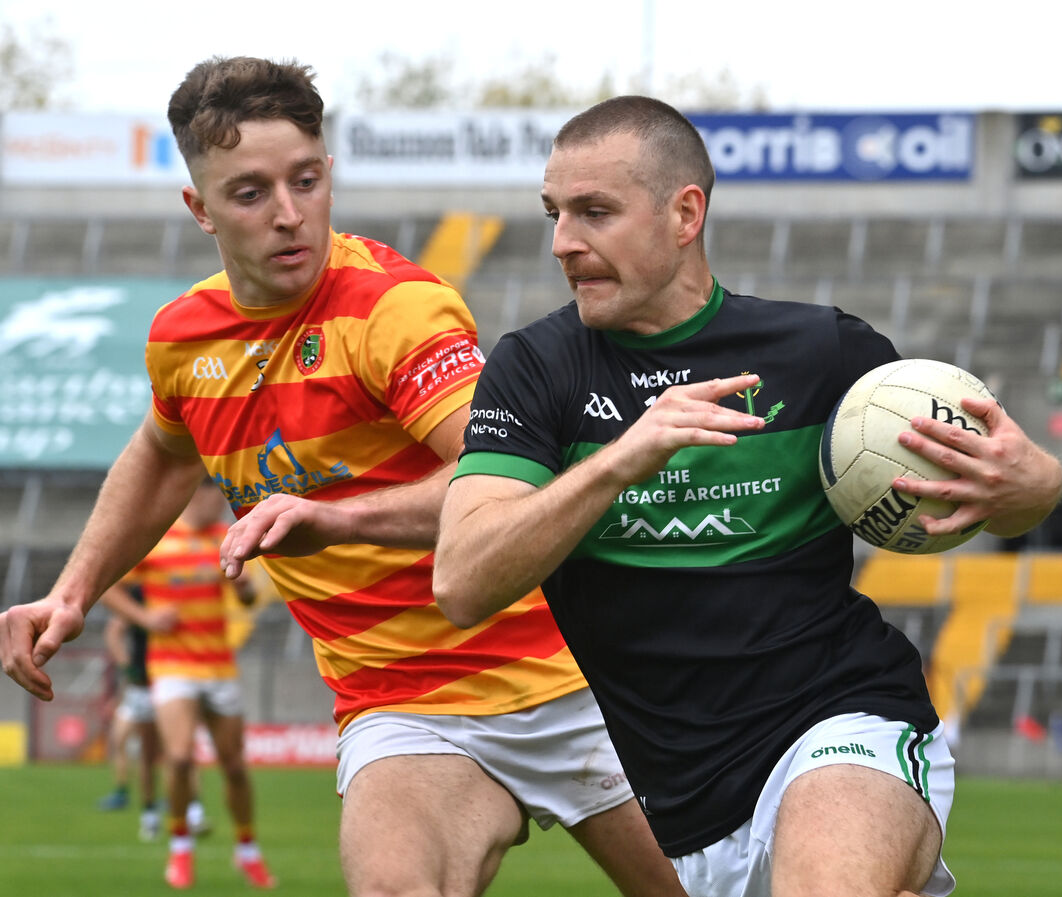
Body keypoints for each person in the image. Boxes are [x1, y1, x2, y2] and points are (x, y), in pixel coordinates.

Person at [0, 57, 684, 897]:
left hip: (573, 675)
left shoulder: (395, 310)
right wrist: (74, 591)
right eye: (250, 193)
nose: (290, 216)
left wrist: (338, 518)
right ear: (200, 209)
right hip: (401, 706)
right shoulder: (183, 339)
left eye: (308, 180)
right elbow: (161, 450)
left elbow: (499, 484)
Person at [433, 96, 1062, 897]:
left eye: (595, 212)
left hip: (842, 720)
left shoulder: (826, 353)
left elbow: (991, 492)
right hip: (689, 807)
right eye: (555, 213)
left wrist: (1034, 482)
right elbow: (461, 580)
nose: (564, 242)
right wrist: (622, 458)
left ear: (685, 213)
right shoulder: (536, 369)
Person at [98, 479, 268, 887]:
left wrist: (244, 592)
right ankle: (180, 848)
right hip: (171, 666)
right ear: (196, 495)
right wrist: (145, 620)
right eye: (214, 495)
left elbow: (246, 600)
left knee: (235, 767)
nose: (220, 505)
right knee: (177, 758)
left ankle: (247, 850)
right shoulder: (158, 540)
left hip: (219, 667)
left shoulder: (225, 540)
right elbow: (108, 588)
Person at [96, 597, 163, 842]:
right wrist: (126, 670)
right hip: (138, 688)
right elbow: (113, 632)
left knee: (167, 752)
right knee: (121, 739)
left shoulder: (162, 603)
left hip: (164, 683)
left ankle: (187, 806)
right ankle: (123, 792)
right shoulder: (135, 603)